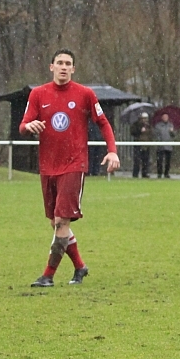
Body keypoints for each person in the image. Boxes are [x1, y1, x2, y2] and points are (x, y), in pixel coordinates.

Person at [20, 49, 120, 287]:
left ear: (73, 69)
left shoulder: (85, 94)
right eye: (60, 63)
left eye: (68, 64)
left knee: (62, 222)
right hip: (47, 166)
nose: (63, 67)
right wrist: (29, 126)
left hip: (74, 164)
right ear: (51, 67)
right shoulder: (38, 94)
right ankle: (80, 266)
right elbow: (23, 125)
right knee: (55, 223)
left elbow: (103, 122)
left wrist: (112, 150)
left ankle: (48, 275)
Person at [130, 111, 153, 178]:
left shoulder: (149, 126)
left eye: (146, 118)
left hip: (146, 145)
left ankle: (145, 173)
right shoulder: (136, 124)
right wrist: (140, 130)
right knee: (137, 160)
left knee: (145, 160)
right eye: (143, 118)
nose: (145, 120)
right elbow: (132, 132)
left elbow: (151, 134)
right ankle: (135, 174)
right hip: (138, 144)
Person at [154, 112, 176, 178]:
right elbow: (156, 135)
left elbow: (173, 135)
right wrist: (160, 141)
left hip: (168, 146)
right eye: (164, 117)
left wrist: (172, 132)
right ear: (162, 118)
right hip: (160, 146)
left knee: (168, 161)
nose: (165, 118)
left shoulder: (170, 125)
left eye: (166, 117)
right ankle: (159, 173)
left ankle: (166, 173)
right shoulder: (158, 126)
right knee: (159, 161)